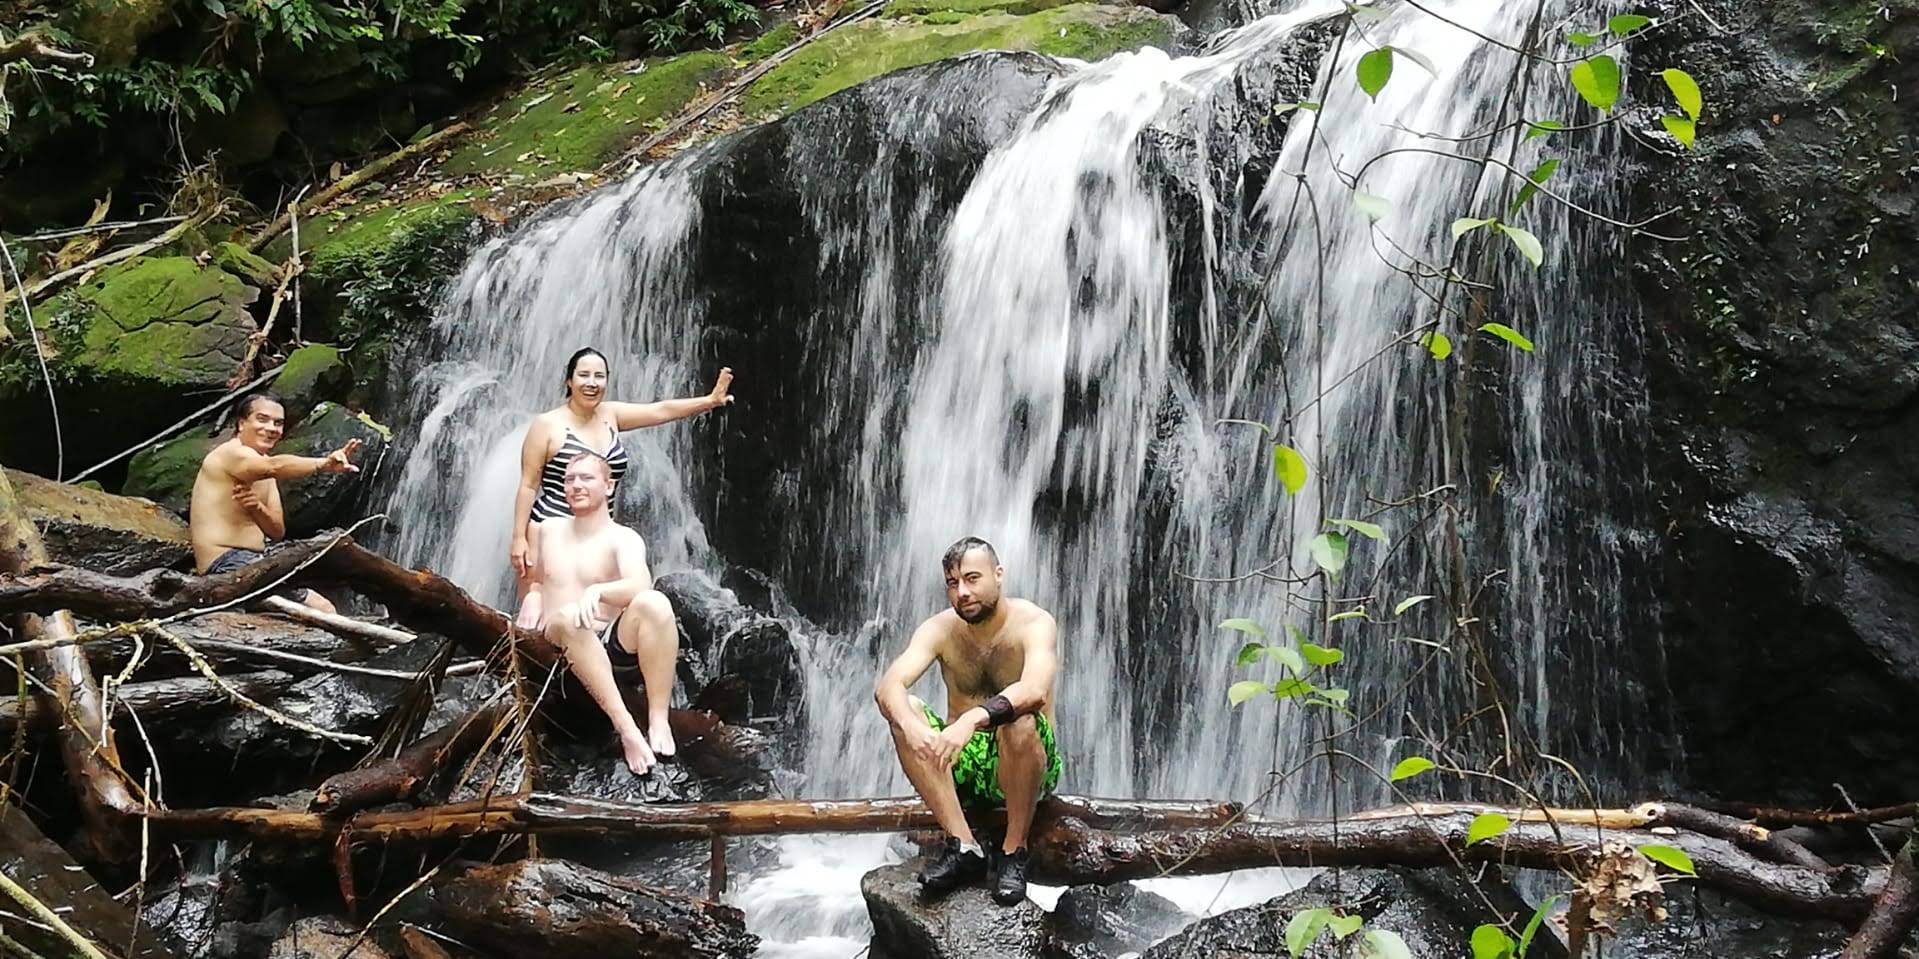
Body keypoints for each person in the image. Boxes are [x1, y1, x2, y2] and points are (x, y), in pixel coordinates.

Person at [873, 537, 1063, 905]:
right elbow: (889, 685)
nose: (962, 592)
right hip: (960, 764)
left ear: (998, 574)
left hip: (1026, 764)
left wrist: (971, 720)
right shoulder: (939, 629)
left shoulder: (1036, 623)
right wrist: (913, 730)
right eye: (952, 583)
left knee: (1020, 721)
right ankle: (964, 846)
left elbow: (1036, 690)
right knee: (904, 709)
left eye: (972, 578)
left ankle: (1014, 850)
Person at [509, 348, 733, 590]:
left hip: (599, 536)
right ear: (569, 380)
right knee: (546, 613)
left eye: (599, 376)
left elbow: (660, 410)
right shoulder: (546, 425)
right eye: (584, 375)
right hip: (550, 534)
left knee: (594, 615)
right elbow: (528, 486)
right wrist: (519, 538)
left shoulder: (610, 414)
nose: (592, 383)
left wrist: (709, 401)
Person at [515, 451, 681, 775]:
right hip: (558, 650)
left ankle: (658, 718)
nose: (575, 485)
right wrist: (533, 596)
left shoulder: (623, 538)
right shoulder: (547, 529)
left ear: (608, 485)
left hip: (609, 642)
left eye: (586, 478)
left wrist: (598, 591)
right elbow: (534, 580)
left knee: (655, 603)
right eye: (569, 479)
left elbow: (640, 583)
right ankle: (628, 730)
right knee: (566, 616)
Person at [189, 392, 361, 613]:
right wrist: (322, 464)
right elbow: (273, 466)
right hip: (224, 563)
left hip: (256, 559)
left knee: (322, 606)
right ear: (242, 423)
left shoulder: (265, 471)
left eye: (278, 423)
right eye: (262, 419)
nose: (271, 428)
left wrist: (256, 507)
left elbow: (277, 531)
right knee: (318, 609)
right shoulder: (230, 454)